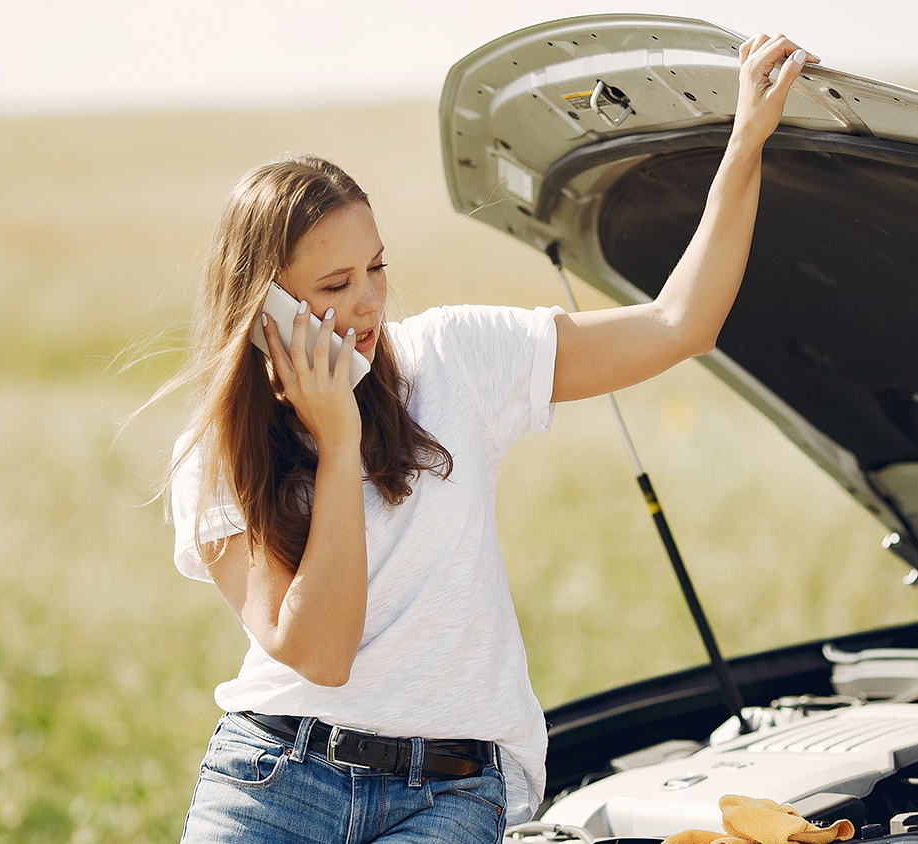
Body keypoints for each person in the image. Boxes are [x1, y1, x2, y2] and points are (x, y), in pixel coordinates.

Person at [168, 33, 813, 844]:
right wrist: (339, 443)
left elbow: (679, 323)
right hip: (274, 777)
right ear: (267, 312)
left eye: (376, 267)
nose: (369, 302)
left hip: (449, 792)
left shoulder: (454, 359)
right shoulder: (213, 456)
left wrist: (745, 140)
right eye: (334, 285)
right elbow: (322, 654)